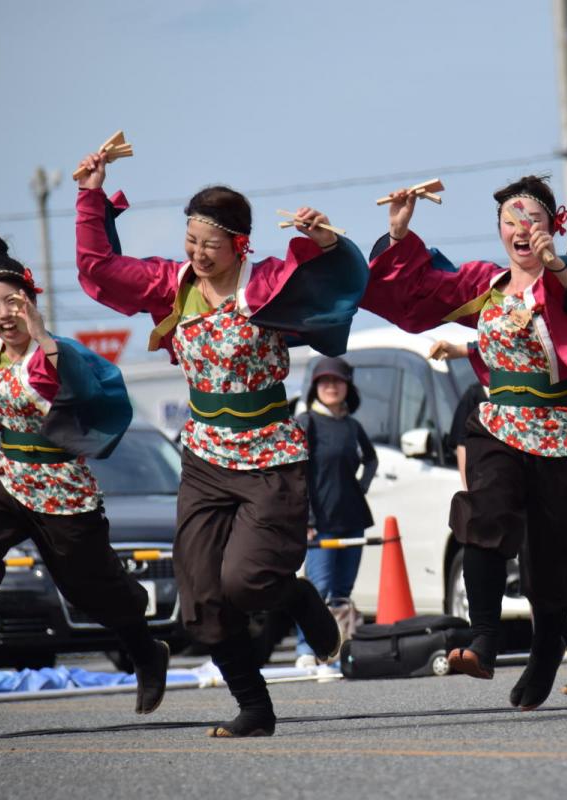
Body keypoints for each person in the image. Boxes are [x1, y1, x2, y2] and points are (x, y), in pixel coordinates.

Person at [73, 150, 368, 737]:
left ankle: (296, 595)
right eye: (189, 241)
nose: (196, 254)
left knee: (248, 581)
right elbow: (101, 267)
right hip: (205, 457)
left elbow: (338, 280)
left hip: (269, 456)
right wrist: (90, 196)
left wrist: (326, 239)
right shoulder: (172, 286)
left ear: (240, 245)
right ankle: (254, 707)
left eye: (209, 245)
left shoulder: (267, 287)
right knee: (202, 593)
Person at [362, 175, 567, 710]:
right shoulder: (485, 283)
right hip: (497, 422)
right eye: (510, 221)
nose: (520, 230)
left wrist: (557, 264)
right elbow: (415, 290)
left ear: (553, 225)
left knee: (551, 556)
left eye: (531, 220)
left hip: (556, 427)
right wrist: (397, 236)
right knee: (484, 513)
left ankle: (547, 645)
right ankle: (482, 637)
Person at [0, 231, 169, 714]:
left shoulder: (60, 352)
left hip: (62, 487)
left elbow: (82, 390)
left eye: (13, 303)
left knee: (91, 590)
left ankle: (147, 652)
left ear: (32, 301)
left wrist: (41, 337)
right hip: (12, 477)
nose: (3, 315)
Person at [294, 356, 377, 665]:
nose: (331, 386)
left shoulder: (352, 425)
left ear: (347, 387)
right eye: (325, 381)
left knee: (342, 590)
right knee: (318, 589)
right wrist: (306, 518)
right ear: (315, 387)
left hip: (352, 518)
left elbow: (371, 459)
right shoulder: (307, 422)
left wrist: (363, 485)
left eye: (338, 381)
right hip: (320, 522)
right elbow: (297, 472)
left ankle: (337, 651)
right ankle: (306, 649)